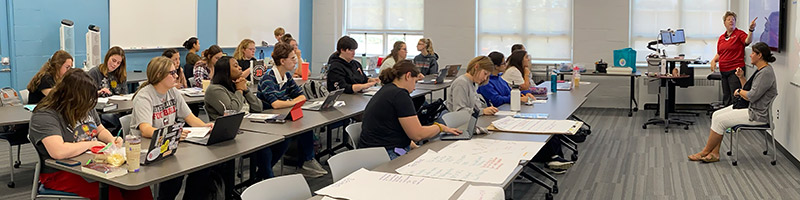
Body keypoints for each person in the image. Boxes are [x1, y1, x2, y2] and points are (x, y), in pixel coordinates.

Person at [29, 69, 152, 200]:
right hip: (61, 172)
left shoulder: (85, 105)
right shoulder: (45, 115)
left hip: (92, 163)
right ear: (71, 97)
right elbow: (58, 151)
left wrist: (112, 140)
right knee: (110, 193)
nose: (89, 105)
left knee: (136, 185)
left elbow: (100, 130)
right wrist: (90, 144)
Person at [130, 56, 214, 199]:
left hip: (168, 142)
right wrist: (171, 134)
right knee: (175, 173)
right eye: (172, 73)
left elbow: (189, 117)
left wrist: (206, 126)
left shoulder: (173, 92)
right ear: (158, 75)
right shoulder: (144, 96)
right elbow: (145, 129)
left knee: (203, 167)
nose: (176, 76)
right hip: (148, 146)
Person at [689, 42, 777, 163]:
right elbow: (750, 91)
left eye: (752, 53)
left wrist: (739, 91)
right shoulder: (761, 70)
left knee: (720, 121)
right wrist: (741, 77)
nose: (750, 55)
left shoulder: (765, 73)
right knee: (716, 115)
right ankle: (714, 153)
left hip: (757, 114)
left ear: (759, 55)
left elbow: (751, 96)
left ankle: (705, 152)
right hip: (751, 108)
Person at [359, 60, 462, 159]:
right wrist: (440, 127)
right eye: (415, 81)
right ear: (408, 76)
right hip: (384, 153)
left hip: (376, 149)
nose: (414, 87)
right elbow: (417, 134)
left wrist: (412, 145)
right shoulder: (400, 95)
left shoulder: (388, 90)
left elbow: (393, 127)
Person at [204, 55, 285, 180]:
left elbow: (258, 107)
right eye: (235, 66)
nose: (240, 68)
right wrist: (240, 91)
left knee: (283, 141)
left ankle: (260, 176)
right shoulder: (215, 89)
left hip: (250, 127)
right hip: (230, 134)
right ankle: (268, 178)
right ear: (226, 71)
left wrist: (246, 90)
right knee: (264, 150)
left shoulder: (237, 85)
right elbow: (232, 110)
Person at [256, 43, 328, 177]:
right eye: (293, 58)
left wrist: (290, 102)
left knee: (305, 127)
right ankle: (264, 174)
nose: (296, 61)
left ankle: (307, 161)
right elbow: (275, 104)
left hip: (283, 117)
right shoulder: (268, 78)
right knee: (285, 140)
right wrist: (291, 101)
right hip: (266, 124)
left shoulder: (287, 77)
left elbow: (301, 96)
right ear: (282, 61)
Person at [710, 11, 757, 106]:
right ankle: (725, 117)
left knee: (735, 96)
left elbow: (748, 40)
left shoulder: (739, 34)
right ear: (724, 23)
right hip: (724, 71)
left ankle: (733, 118)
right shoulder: (722, 38)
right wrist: (714, 60)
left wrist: (751, 30)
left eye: (733, 20)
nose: (731, 21)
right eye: (728, 19)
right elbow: (720, 53)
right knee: (726, 96)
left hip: (735, 71)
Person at [88, 46, 128, 133]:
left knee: (128, 117)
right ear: (107, 57)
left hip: (117, 109)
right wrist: (98, 92)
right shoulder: (95, 72)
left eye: (118, 63)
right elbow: (86, 95)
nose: (115, 65)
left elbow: (124, 94)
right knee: (113, 119)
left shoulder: (120, 75)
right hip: (102, 111)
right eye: (113, 61)